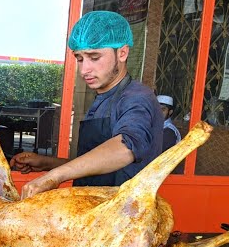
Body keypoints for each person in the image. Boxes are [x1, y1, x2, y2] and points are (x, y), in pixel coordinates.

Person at [10, 10, 163, 199]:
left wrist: (54, 176)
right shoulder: (103, 98)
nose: (84, 70)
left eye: (94, 57)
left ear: (122, 53)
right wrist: (47, 163)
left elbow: (126, 148)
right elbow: (98, 168)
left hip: (121, 219)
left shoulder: (137, 98)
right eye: (80, 58)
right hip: (92, 212)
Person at [157, 94, 183, 174]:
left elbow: (157, 154)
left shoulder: (170, 131)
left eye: (163, 109)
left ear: (170, 112)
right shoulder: (156, 126)